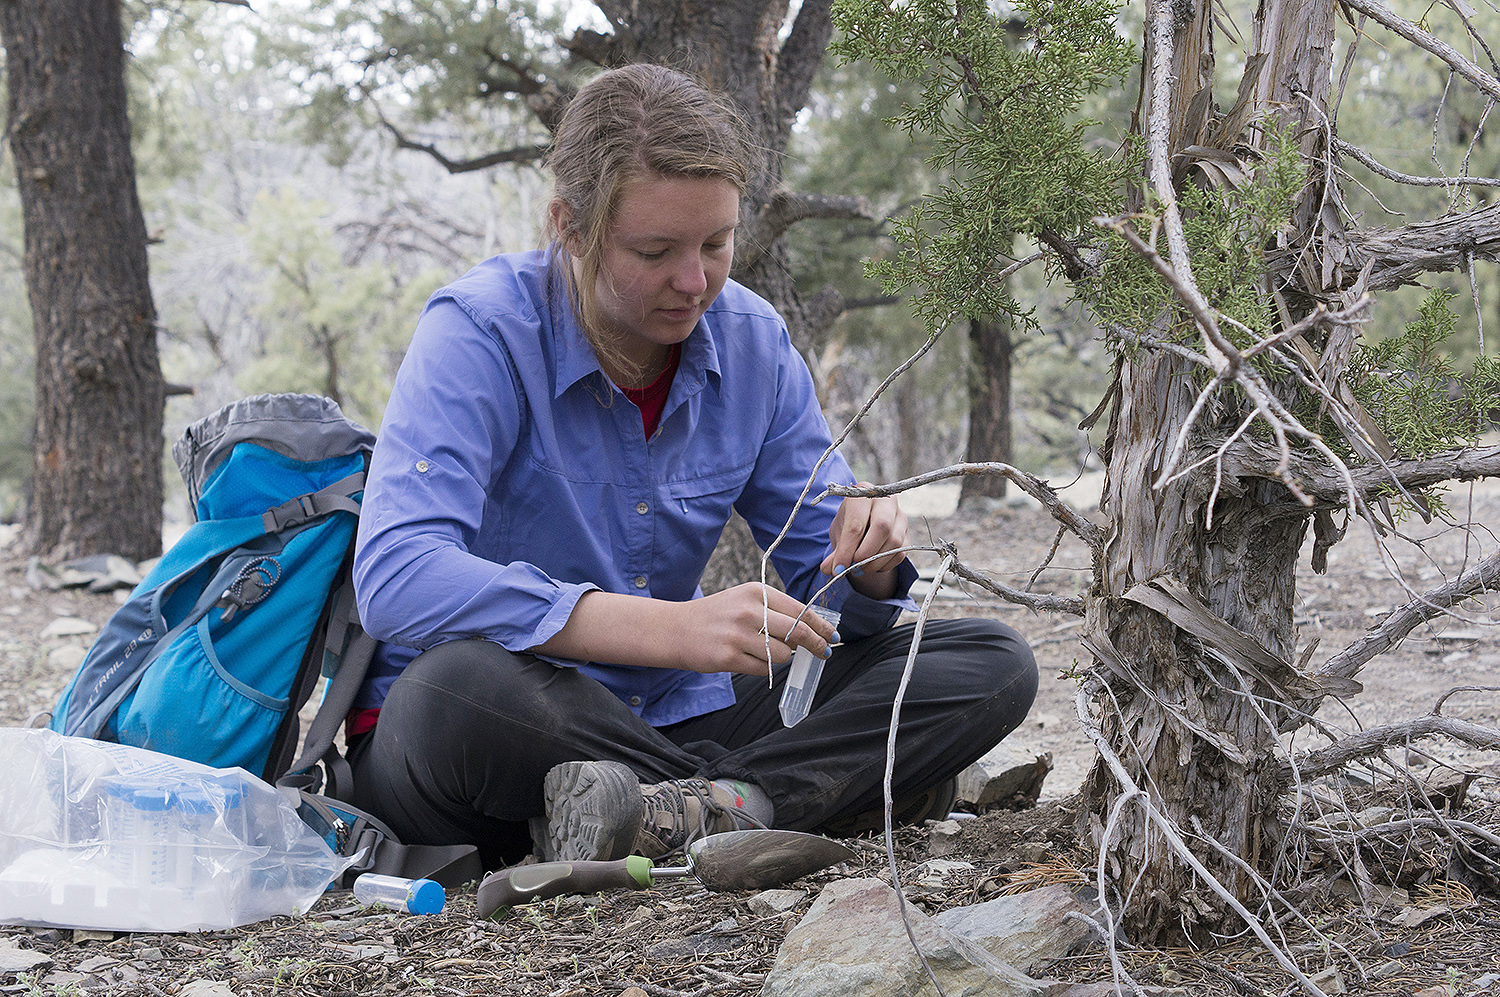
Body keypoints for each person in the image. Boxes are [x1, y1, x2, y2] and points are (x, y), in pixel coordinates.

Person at [347, 63, 1038, 870]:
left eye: (717, 243)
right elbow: (397, 576)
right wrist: (675, 629)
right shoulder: (481, 331)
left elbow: (832, 596)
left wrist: (874, 564)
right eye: (655, 250)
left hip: (668, 721)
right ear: (569, 225)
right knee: (449, 692)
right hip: (504, 730)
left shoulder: (751, 341)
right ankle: (812, 792)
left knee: (989, 661)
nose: (694, 280)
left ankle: (700, 809)